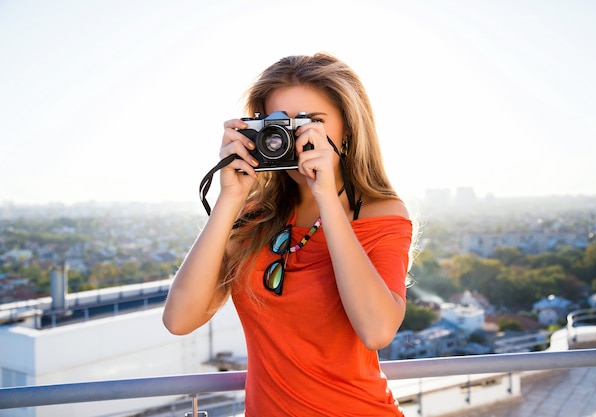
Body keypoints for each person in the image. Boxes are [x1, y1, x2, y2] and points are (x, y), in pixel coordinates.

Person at [163, 52, 414, 416]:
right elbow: (179, 319)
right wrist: (229, 199)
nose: (295, 134)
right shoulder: (254, 218)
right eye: (279, 122)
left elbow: (377, 330)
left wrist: (326, 195)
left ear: (348, 129)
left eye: (311, 121)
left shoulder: (381, 215)